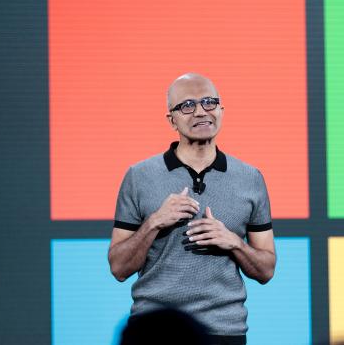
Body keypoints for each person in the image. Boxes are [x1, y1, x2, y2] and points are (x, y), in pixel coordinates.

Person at [108, 73, 276, 345]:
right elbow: (118, 268)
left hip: (224, 331)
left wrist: (233, 243)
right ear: (171, 119)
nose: (201, 112)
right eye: (187, 105)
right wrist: (154, 222)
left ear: (221, 110)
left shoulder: (250, 178)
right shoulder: (139, 176)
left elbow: (266, 270)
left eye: (209, 103)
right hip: (155, 331)